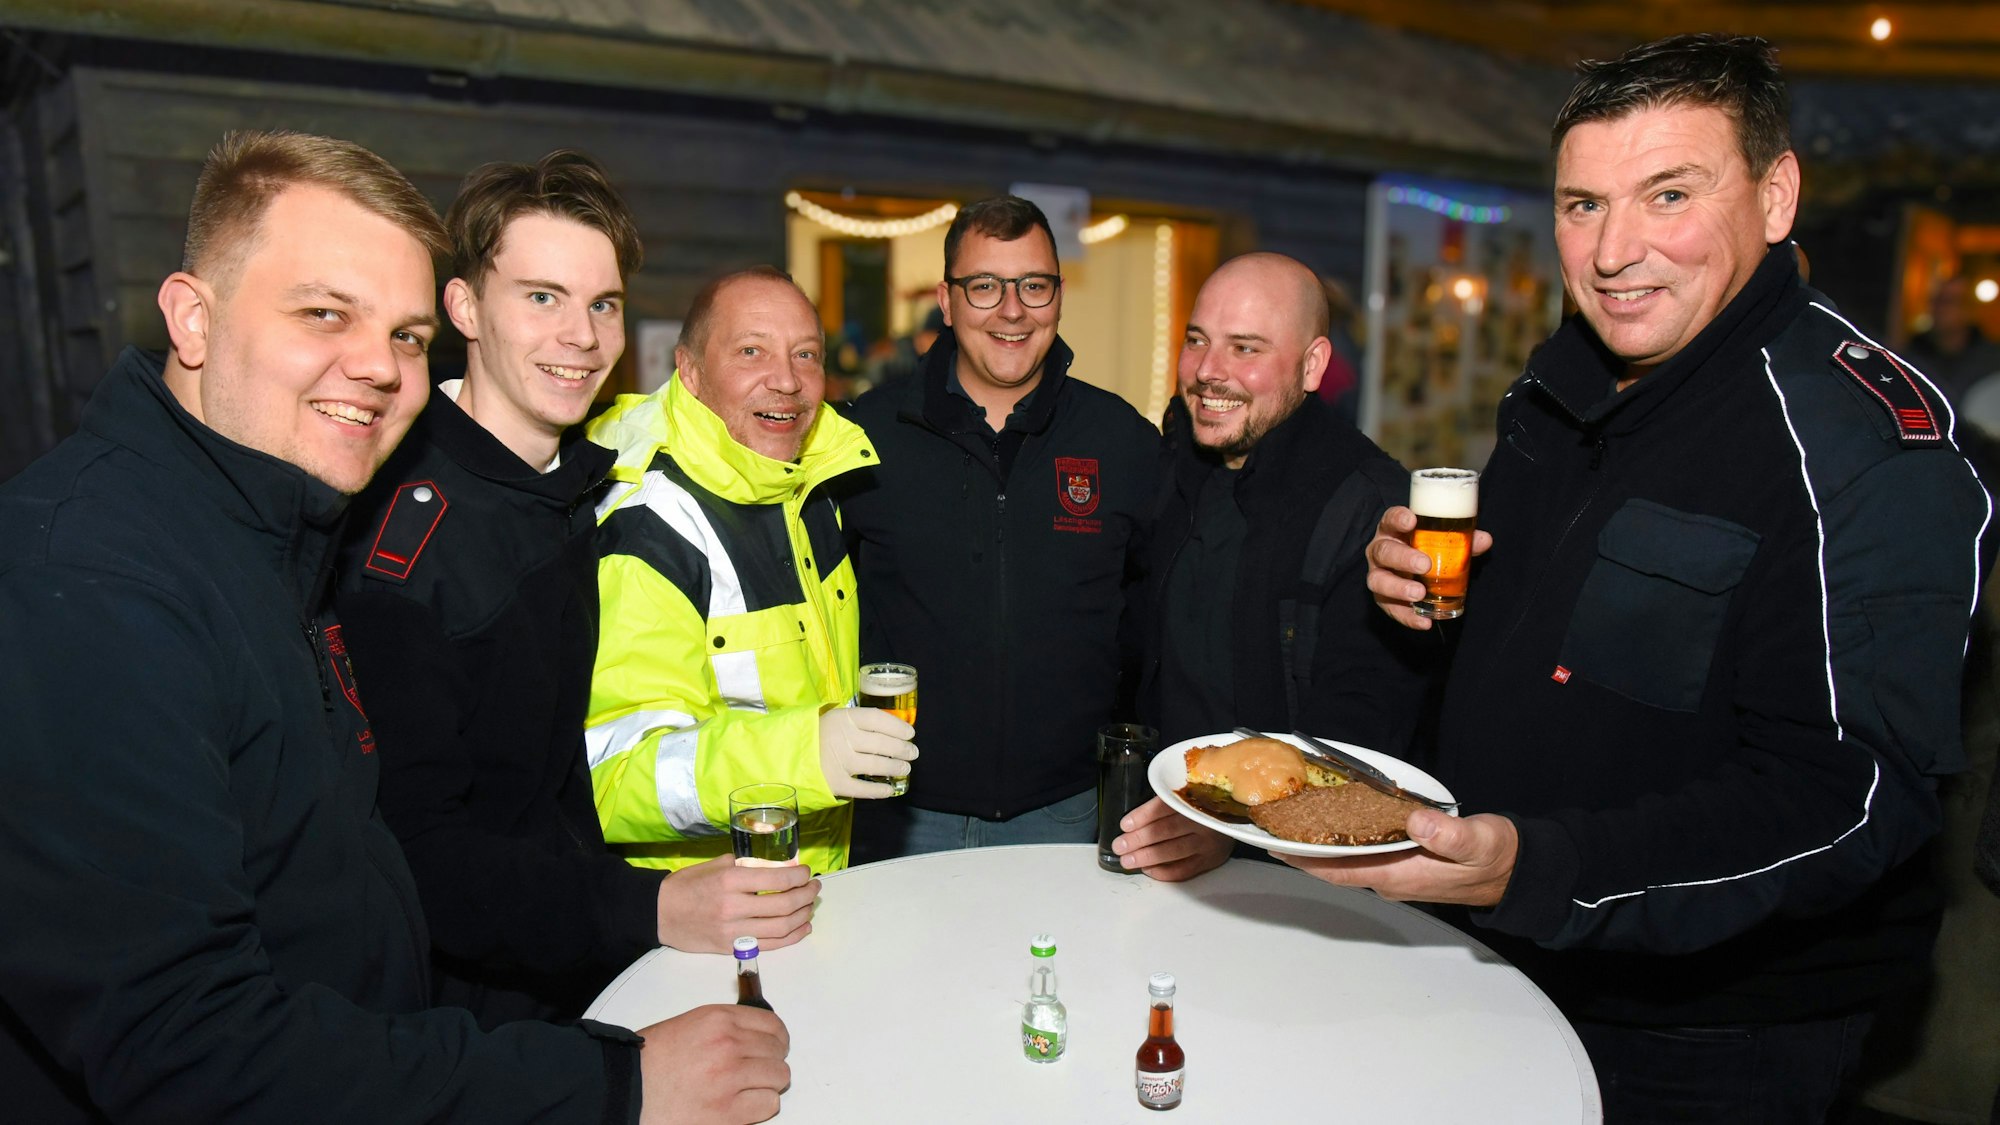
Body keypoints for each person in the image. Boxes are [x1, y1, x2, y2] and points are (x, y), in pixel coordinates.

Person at [0, 130, 787, 1124]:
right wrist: (608, 1083)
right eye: (324, 313)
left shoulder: (280, 525)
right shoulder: (85, 578)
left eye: (403, 336)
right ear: (191, 319)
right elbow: (189, 1049)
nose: (375, 366)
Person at [1317, 36, 1992, 1122]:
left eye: (1665, 195)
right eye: (1580, 205)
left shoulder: (1863, 449)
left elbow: (1848, 802)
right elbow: (1572, 626)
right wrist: (1423, 596)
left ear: (1775, 197)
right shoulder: (1567, 372)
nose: (1612, 251)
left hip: (1708, 1029)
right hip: (1501, 949)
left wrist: (1534, 868)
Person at [334, 152, 818, 1030]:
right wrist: (651, 908)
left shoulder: (576, 490)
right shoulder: (406, 544)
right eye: (543, 296)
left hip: (572, 969)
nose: (583, 336)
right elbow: (418, 855)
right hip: (461, 1020)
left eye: (603, 304)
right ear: (465, 307)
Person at [839, 196, 1159, 857]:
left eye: (1033, 286)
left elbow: (1163, 622)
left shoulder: (1121, 439)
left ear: (1058, 297)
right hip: (900, 813)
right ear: (947, 300)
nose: (1012, 310)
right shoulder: (864, 436)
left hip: (1067, 813)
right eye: (985, 286)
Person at [1111, 252, 1431, 881]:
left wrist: (1228, 827)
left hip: (1298, 873)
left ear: (1312, 366)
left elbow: (1361, 739)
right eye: (1197, 340)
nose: (1208, 372)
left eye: (1246, 349)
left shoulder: (1368, 505)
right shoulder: (1174, 463)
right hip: (1161, 830)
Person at [585, 265, 914, 874]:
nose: (787, 380)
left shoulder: (811, 488)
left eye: (806, 354)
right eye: (751, 351)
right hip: (707, 915)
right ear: (690, 370)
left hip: (806, 880)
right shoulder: (652, 525)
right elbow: (615, 777)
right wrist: (805, 754)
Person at [1905, 276, 2000, 405]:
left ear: (1968, 309)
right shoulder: (1912, 354)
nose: (1940, 309)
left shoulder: (1992, 360)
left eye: (1949, 302)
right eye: (1936, 301)